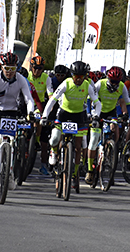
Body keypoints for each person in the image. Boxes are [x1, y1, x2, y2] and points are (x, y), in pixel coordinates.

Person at [41, 61, 100, 192]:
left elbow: (97, 103)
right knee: (55, 138)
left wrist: (96, 116)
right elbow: (52, 100)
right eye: (76, 76)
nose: (78, 79)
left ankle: (74, 174)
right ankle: (54, 151)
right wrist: (44, 116)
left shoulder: (87, 85)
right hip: (64, 114)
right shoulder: (66, 83)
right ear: (72, 75)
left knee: (78, 148)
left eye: (81, 76)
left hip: (79, 116)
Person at [0, 53, 35, 171]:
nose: (9, 72)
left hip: (11, 110)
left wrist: (30, 113)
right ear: (2, 67)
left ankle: (11, 164)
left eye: (12, 69)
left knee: (14, 137)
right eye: (7, 68)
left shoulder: (21, 79)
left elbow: (29, 99)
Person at [88, 66, 129, 184]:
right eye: (112, 81)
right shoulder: (100, 84)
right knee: (94, 140)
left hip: (111, 112)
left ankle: (110, 155)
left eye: (117, 82)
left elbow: (125, 102)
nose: (115, 84)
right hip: (97, 112)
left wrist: (126, 115)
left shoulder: (122, 87)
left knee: (115, 130)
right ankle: (90, 170)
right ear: (108, 78)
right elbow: (90, 99)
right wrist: (90, 114)